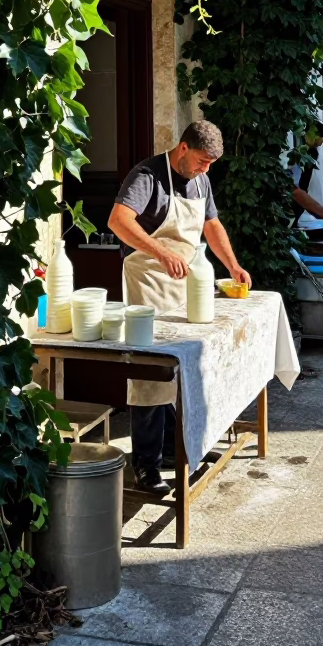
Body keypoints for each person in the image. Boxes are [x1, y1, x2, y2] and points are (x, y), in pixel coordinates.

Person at [107, 121, 250, 495]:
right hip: (148, 285)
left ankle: (174, 449)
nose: (205, 170)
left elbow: (212, 225)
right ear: (183, 148)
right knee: (150, 376)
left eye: (210, 164)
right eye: (202, 161)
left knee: (185, 369)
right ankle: (146, 465)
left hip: (183, 286)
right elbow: (118, 221)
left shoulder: (201, 180)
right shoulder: (147, 176)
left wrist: (232, 265)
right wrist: (160, 252)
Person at [286, 121, 323, 226]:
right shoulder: (296, 156)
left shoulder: (311, 154)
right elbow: (295, 190)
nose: (321, 142)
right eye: (320, 137)